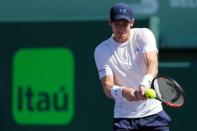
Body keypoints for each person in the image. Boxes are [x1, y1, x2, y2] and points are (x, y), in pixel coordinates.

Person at [94, 2, 171, 131]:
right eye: (117, 24)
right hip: (123, 119)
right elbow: (107, 88)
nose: (121, 29)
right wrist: (124, 92)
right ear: (110, 22)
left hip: (153, 115)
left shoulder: (144, 35)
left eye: (125, 24)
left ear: (132, 22)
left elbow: (152, 64)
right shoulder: (101, 50)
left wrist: (144, 84)